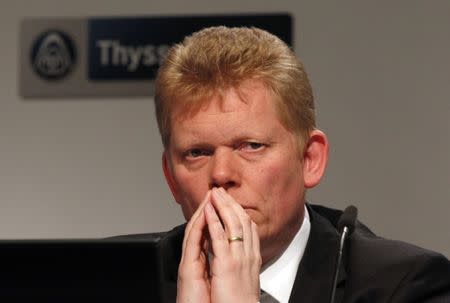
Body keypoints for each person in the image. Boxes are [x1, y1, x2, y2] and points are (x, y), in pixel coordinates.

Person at [132, 26, 450, 302]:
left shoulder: (402, 286)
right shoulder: (111, 282)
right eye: (197, 153)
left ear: (310, 159)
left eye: (251, 146)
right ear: (171, 178)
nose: (221, 174)